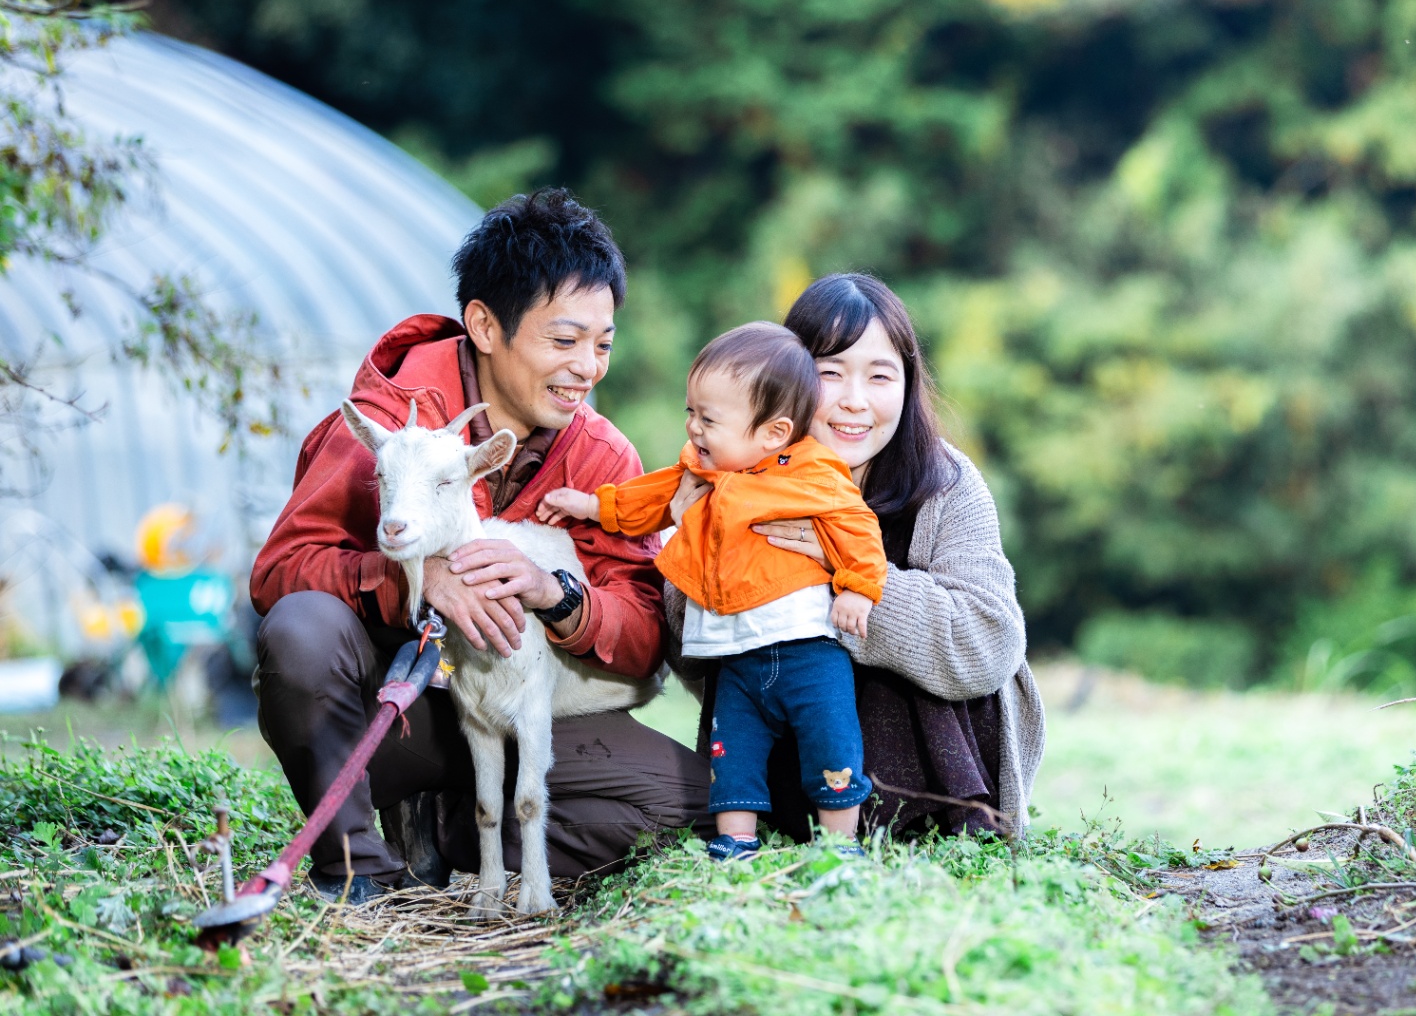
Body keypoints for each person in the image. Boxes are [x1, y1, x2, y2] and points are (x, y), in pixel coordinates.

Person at [250, 188, 710, 903]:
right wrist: (417, 576)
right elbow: (279, 572)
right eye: (564, 341)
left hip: (529, 715)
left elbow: (645, 631)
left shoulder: (602, 456)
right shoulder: (381, 426)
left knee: (693, 809)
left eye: (603, 344)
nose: (588, 368)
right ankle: (357, 866)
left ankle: (457, 832)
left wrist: (558, 597)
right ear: (485, 326)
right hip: (404, 716)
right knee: (303, 632)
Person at [667, 274, 1045, 839]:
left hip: (933, 778)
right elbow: (692, 653)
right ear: (784, 382)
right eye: (830, 373)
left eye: (879, 376)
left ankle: (932, 829)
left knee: (882, 665)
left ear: (907, 384)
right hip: (785, 750)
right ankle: (771, 828)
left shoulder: (948, 483)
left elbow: (989, 641)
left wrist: (850, 578)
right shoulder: (732, 472)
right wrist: (694, 535)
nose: (854, 401)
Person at [540, 323, 888, 861]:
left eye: (708, 418)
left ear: (773, 433)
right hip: (736, 658)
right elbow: (650, 496)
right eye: (690, 412)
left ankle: (840, 844)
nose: (693, 428)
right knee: (733, 754)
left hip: (808, 651)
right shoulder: (700, 468)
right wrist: (593, 507)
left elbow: (857, 527)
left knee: (832, 743)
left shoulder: (813, 473)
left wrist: (858, 589)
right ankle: (736, 839)